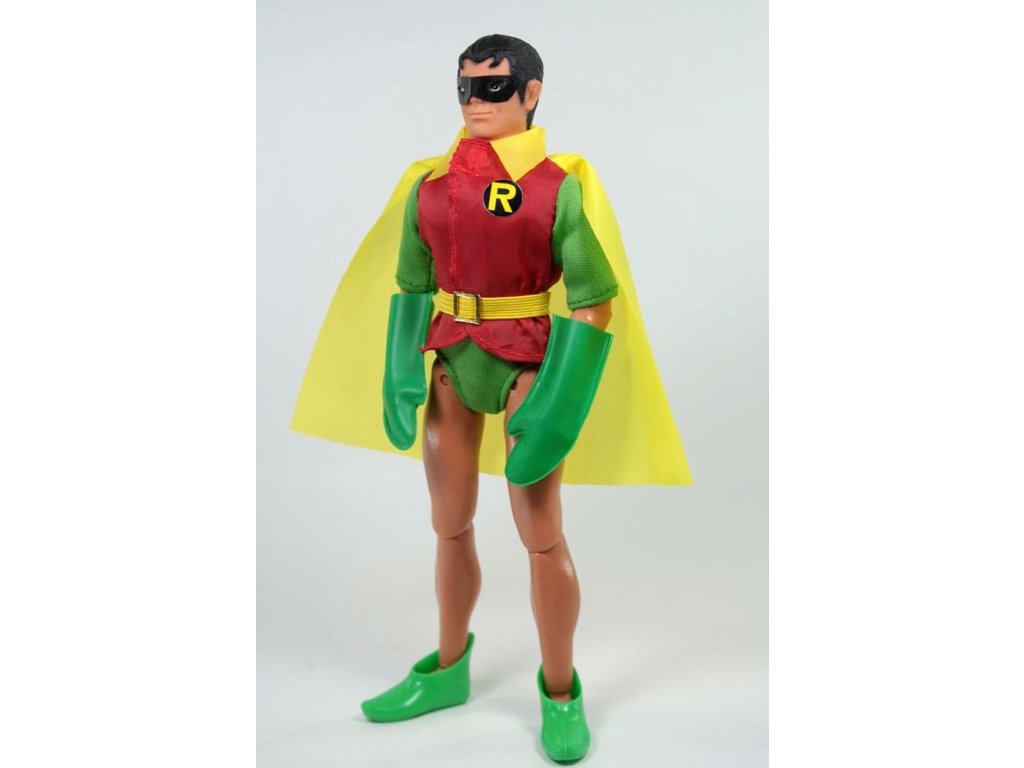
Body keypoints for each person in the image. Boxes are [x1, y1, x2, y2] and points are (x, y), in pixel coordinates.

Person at [291, 33, 691, 764]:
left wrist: (560, 401)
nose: (476, 101)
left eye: (494, 87)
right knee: (449, 524)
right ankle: (448, 668)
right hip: (450, 360)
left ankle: (560, 691)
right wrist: (398, 371)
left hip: (525, 366)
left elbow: (595, 300)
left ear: (531, 94)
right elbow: (412, 283)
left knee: (541, 533)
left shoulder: (557, 185)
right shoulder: (430, 185)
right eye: (465, 87)